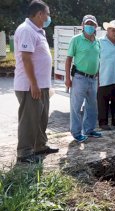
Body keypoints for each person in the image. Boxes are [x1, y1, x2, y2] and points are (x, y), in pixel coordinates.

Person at [13, 0, 59, 163]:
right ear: (40, 14)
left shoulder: (38, 31)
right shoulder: (26, 30)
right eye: (47, 14)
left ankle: (40, 146)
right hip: (30, 86)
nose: (48, 17)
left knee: (41, 118)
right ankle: (24, 153)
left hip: (42, 85)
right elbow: (26, 59)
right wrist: (33, 83)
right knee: (29, 119)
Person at [65, 15, 102, 142]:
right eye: (88, 24)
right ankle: (76, 132)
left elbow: (98, 61)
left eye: (92, 24)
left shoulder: (97, 42)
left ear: (96, 26)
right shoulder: (76, 40)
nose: (90, 26)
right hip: (80, 77)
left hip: (93, 78)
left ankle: (89, 130)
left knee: (92, 106)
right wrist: (67, 78)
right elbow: (69, 59)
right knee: (76, 106)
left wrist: (98, 79)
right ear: (82, 25)